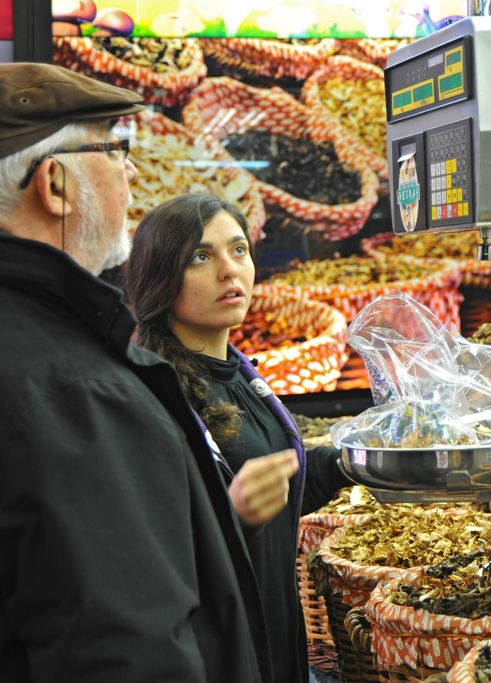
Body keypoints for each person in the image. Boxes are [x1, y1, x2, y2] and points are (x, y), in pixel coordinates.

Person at [0, 63, 273, 682]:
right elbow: (128, 651)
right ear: (56, 185)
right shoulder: (76, 393)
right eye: (115, 149)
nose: (131, 171)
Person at [124, 193, 353, 683]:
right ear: (161, 278)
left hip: (276, 648)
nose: (230, 271)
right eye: (200, 257)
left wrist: (357, 462)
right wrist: (233, 515)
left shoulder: (238, 375)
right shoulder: (147, 396)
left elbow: (277, 484)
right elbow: (139, 556)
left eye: (239, 250)